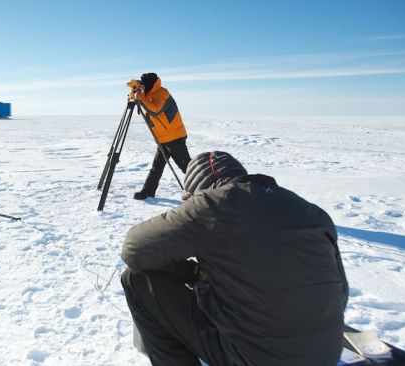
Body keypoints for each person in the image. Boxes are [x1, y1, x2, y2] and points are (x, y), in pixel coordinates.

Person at [120, 151, 348, 366]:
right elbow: (341, 293)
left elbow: (133, 249)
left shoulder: (213, 205)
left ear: (197, 192)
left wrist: (186, 271)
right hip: (326, 354)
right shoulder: (311, 211)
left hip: (258, 359)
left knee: (136, 279)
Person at [133, 72, 191, 200]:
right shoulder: (149, 95)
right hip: (164, 138)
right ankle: (148, 192)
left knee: (187, 167)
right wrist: (140, 97)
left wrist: (141, 96)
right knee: (156, 167)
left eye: (142, 84)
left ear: (149, 84)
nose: (141, 86)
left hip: (174, 137)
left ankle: (204, 191)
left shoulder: (162, 93)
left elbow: (155, 110)